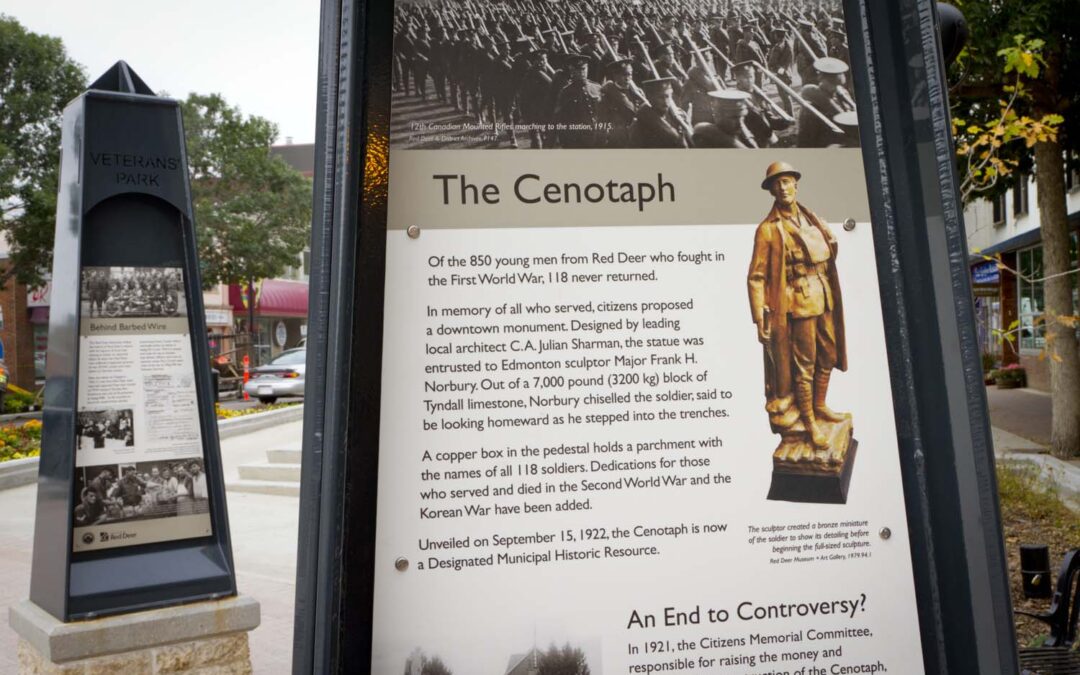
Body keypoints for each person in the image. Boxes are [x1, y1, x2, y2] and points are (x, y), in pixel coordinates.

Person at [747, 162, 848, 450]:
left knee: (828, 354)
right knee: (804, 365)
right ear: (771, 191)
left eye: (787, 181)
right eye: (777, 184)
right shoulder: (768, 229)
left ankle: (819, 406)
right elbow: (756, 276)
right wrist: (759, 317)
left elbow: (828, 253)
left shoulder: (812, 218)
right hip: (799, 301)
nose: (783, 187)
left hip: (824, 293)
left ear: (796, 184)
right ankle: (809, 422)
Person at [797, 57, 855, 148]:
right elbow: (805, 141)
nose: (834, 89)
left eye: (836, 85)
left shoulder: (844, 94)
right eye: (831, 83)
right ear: (821, 78)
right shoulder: (812, 106)